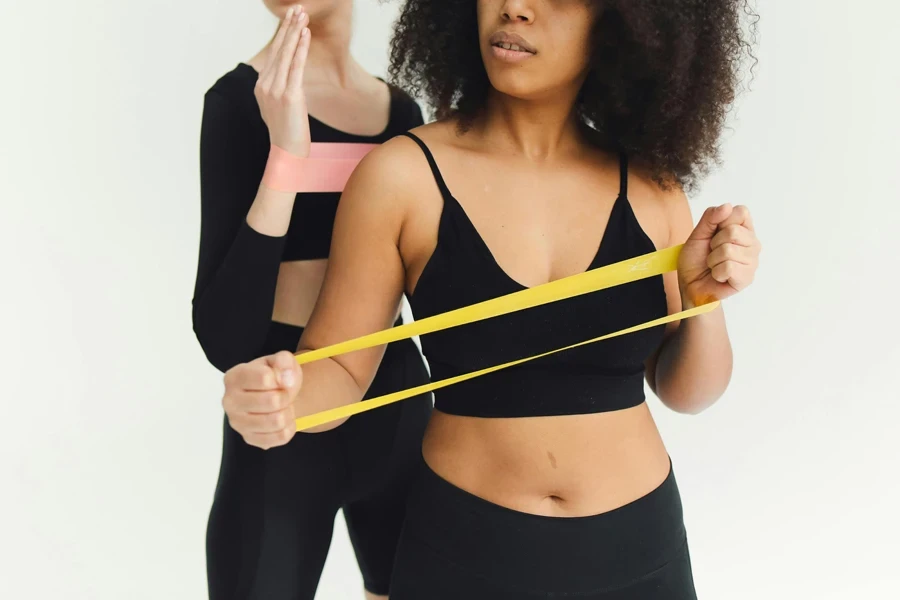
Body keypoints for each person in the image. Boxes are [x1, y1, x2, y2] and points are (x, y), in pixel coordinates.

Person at [221, 0, 761, 597]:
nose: (514, 8)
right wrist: (286, 397)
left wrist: (704, 303)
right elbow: (343, 368)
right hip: (463, 553)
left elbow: (686, 393)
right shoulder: (401, 176)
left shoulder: (654, 188)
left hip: (640, 555)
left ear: (623, 22)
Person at [192, 3, 432, 599]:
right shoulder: (237, 102)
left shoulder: (403, 114)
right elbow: (225, 339)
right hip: (281, 415)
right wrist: (287, 156)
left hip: (399, 401)